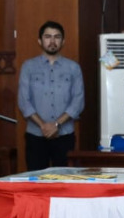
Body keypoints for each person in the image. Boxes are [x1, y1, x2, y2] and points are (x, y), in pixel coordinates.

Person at [17, 21, 84, 171]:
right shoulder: (28, 67)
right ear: (40, 41)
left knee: (65, 182)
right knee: (36, 183)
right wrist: (43, 125)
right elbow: (24, 101)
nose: (52, 41)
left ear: (63, 41)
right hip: (35, 135)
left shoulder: (73, 68)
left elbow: (78, 102)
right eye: (48, 37)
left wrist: (56, 125)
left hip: (65, 135)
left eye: (57, 37)